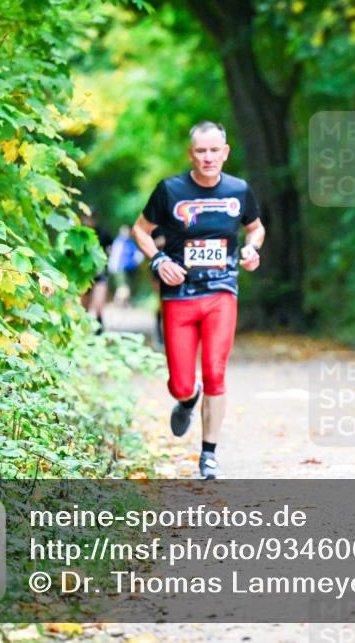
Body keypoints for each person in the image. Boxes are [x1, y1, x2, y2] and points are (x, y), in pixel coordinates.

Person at [132, 121, 265, 479]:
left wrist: (251, 249)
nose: (208, 157)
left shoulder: (238, 190)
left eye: (214, 150)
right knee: (180, 383)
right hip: (179, 295)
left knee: (215, 372)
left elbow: (255, 228)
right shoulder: (170, 190)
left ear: (225, 153)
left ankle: (208, 455)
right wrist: (158, 260)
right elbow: (140, 230)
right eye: (201, 151)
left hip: (221, 292)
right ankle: (188, 399)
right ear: (191, 154)